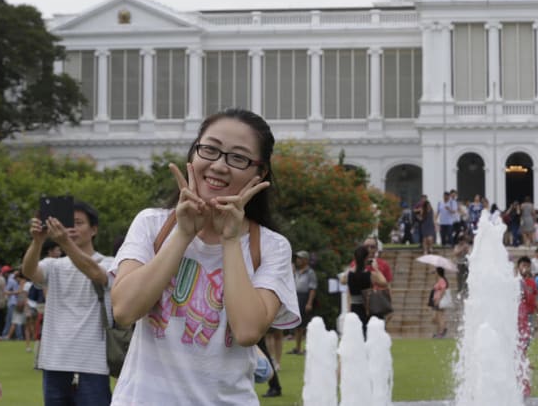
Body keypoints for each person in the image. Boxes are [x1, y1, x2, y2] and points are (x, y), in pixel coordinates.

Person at [109, 108, 301, 404]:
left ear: (259, 173)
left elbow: (248, 330)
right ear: (194, 155)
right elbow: (124, 310)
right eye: (210, 150)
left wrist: (231, 239)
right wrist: (183, 234)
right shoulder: (151, 224)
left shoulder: (272, 246)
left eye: (238, 157)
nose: (219, 166)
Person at [22, 199, 115, 405]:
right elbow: (29, 271)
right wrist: (37, 241)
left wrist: (65, 242)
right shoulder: (53, 265)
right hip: (54, 361)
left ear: (94, 230)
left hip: (93, 363)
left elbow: (96, 274)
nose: (71, 228)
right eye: (68, 222)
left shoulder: (109, 263)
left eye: (79, 223)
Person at [341, 244, 388, 333]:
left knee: (357, 334)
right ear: (366, 258)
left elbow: (342, 280)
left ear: (354, 258)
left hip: (354, 307)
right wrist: (376, 269)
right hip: (367, 307)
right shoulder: (370, 275)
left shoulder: (349, 275)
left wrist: (352, 266)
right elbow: (384, 282)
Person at [516, 256, 538, 397]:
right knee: (517, 351)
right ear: (518, 266)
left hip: (527, 316)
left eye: (527, 265)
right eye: (523, 265)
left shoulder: (531, 282)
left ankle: (523, 384)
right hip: (517, 318)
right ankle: (521, 384)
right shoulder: (514, 281)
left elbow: (534, 299)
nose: (525, 268)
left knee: (523, 349)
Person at [290, 250, 317, 356]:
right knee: (297, 325)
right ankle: (297, 348)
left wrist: (309, 303)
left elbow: (313, 288)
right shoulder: (296, 271)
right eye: (297, 258)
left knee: (304, 325)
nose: (297, 260)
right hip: (296, 297)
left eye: (300, 258)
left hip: (305, 298)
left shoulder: (310, 272)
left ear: (306, 260)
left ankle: (306, 347)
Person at [431, 266, 450, 338]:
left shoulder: (442, 280)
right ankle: (441, 331)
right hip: (437, 300)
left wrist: (438, 299)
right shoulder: (440, 280)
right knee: (438, 317)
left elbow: (443, 290)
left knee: (439, 317)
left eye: (435, 271)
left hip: (439, 301)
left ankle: (442, 332)